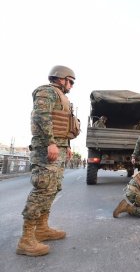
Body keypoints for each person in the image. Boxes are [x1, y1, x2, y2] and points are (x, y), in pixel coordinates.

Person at [17, 65, 80, 257]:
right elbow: (41, 117)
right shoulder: (46, 92)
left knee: (53, 189)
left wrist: (66, 146)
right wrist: (51, 143)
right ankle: (26, 240)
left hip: (58, 148)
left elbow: (63, 123)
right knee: (42, 189)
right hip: (47, 149)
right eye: (70, 81)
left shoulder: (63, 97)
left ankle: (42, 229)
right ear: (61, 78)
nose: (71, 85)